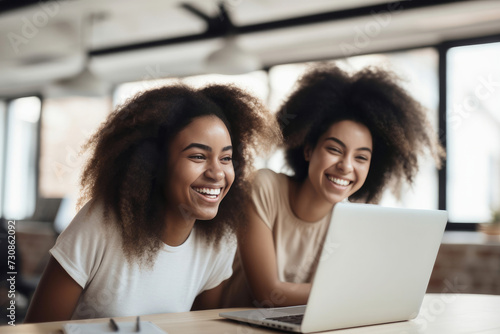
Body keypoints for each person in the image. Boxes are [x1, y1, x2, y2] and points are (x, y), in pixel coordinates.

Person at [25, 83, 278, 322]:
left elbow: (202, 327)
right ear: (154, 164)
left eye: (226, 158)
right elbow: (37, 329)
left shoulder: (220, 238)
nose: (217, 173)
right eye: (198, 156)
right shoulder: (99, 223)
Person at [221, 64, 445, 308]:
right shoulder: (263, 187)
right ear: (308, 150)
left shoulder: (352, 221)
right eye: (335, 150)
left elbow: (333, 299)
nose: (346, 166)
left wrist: (355, 293)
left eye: (361, 157)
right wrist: (362, 293)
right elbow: (267, 293)